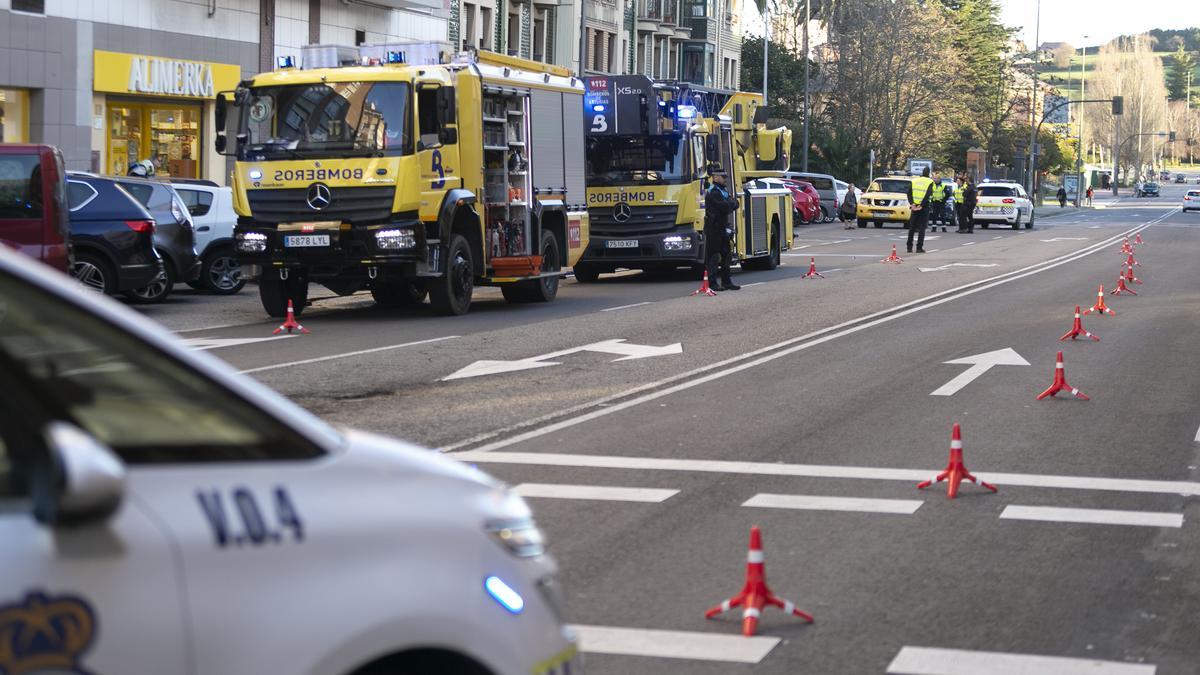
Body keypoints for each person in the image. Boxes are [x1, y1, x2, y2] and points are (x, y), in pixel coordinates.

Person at [703, 167, 740, 291]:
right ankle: (712, 283)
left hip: (722, 228)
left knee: (726, 254)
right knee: (713, 256)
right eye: (723, 177)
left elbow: (735, 203)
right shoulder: (714, 192)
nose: (725, 180)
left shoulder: (722, 191)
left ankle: (726, 281)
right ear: (715, 177)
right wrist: (731, 204)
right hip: (713, 228)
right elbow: (725, 206)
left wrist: (731, 204)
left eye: (725, 177)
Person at [906, 167, 934, 253]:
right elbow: (928, 195)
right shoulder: (930, 182)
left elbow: (909, 193)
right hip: (924, 207)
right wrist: (922, 205)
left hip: (914, 206)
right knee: (922, 228)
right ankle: (919, 247)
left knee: (912, 227)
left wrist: (911, 203)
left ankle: (909, 247)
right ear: (929, 173)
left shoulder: (914, 181)